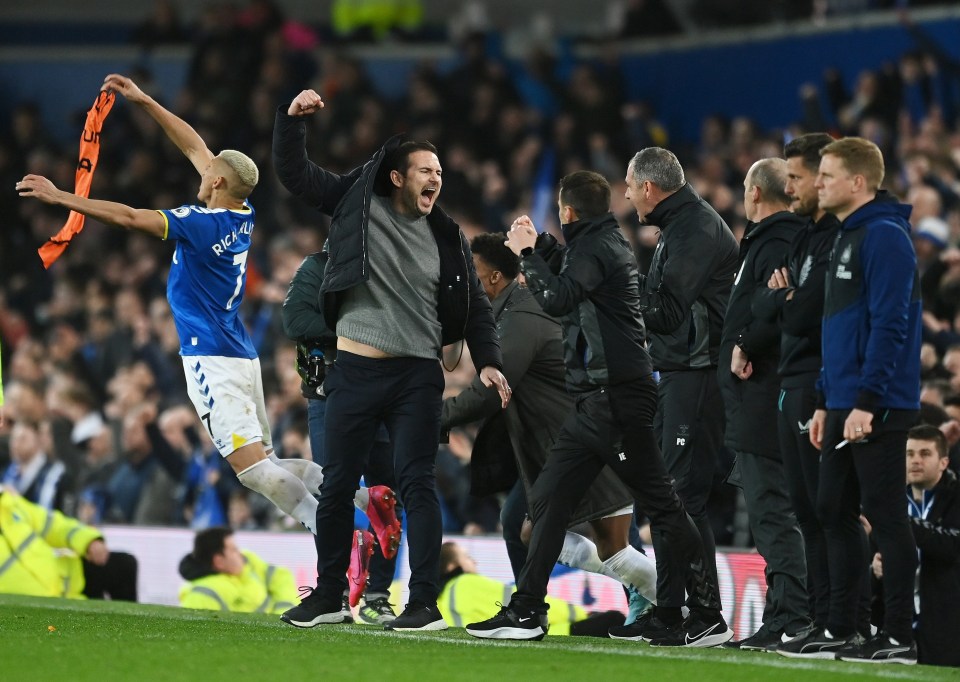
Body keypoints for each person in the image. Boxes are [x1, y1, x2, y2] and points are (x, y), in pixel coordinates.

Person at [16, 74, 330, 537]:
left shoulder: (197, 225)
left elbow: (126, 216)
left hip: (210, 358)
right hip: (241, 355)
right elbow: (194, 146)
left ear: (217, 180)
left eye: (208, 171)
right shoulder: (242, 212)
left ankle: (342, 530)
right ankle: (364, 497)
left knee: (253, 471)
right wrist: (143, 100)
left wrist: (60, 196)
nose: (199, 168)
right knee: (271, 461)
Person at [273, 89, 508, 632]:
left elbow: (473, 306)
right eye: (426, 169)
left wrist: (489, 359)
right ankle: (330, 595)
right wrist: (291, 121)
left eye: (441, 172)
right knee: (336, 488)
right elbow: (296, 174)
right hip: (353, 372)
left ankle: (422, 602)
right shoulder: (356, 205)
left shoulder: (447, 236)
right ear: (397, 177)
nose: (436, 178)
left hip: (415, 377)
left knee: (416, 485)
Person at [465, 171, 729, 646]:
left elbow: (559, 297)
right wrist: (543, 243)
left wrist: (527, 252)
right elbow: (573, 272)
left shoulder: (598, 247)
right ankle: (527, 611)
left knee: (666, 508)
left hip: (617, 398)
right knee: (546, 499)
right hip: (598, 399)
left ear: (568, 211)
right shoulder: (604, 241)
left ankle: (706, 610)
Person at [441, 233, 656, 618]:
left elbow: (491, 390)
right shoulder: (507, 313)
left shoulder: (521, 316)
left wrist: (434, 417)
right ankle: (530, 605)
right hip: (558, 442)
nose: (466, 281)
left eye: (472, 272)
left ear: (492, 278)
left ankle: (655, 600)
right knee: (519, 522)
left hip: (582, 436)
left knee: (613, 533)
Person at [786, 137, 922, 665]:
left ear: (858, 182)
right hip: (843, 399)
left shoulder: (886, 237)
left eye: (826, 175)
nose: (818, 183)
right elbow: (836, 329)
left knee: (886, 514)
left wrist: (864, 399)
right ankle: (844, 626)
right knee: (831, 508)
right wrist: (826, 399)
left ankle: (898, 635)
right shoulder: (848, 236)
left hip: (878, 401)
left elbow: (891, 325)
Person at [625, 147, 739, 619]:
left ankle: (704, 614)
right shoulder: (682, 225)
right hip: (680, 371)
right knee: (669, 497)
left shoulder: (694, 227)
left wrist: (617, 290)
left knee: (682, 498)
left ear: (649, 188)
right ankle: (670, 608)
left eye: (631, 187)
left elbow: (669, 313)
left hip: (697, 374)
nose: (628, 196)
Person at [754, 133, 856, 645]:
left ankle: (846, 621)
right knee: (808, 511)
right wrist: (785, 300)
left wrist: (786, 298)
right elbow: (774, 305)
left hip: (819, 383)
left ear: (821, 176)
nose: (789, 186)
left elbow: (799, 310)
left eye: (795, 176)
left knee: (830, 511)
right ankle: (820, 620)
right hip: (793, 380)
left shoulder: (839, 238)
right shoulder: (806, 236)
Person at [717, 158, 811, 650]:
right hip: (759, 397)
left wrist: (746, 343)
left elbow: (769, 310)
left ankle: (792, 614)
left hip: (765, 395)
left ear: (754, 192)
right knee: (770, 511)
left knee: (772, 510)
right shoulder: (776, 239)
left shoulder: (775, 240)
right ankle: (784, 612)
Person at [281, 249, 404, 625]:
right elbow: (295, 319)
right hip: (327, 396)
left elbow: (407, 325)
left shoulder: (392, 263)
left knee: (387, 498)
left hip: (384, 394)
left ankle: (378, 596)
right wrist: (361, 332)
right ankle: (332, 591)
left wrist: (340, 330)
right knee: (331, 491)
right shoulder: (317, 266)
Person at [880, 424, 959, 667]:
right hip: (898, 620)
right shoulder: (891, 501)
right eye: (909, 454)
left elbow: (953, 546)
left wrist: (901, 522)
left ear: (943, 462)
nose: (916, 460)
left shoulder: (956, 497)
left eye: (925, 454)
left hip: (946, 622)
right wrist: (876, 565)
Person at [438, 541, 624, 637]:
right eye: (467, 557)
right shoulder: (467, 583)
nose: (474, 561)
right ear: (452, 566)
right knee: (614, 618)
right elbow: (527, 605)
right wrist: (581, 614)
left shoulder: (440, 601)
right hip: (551, 632)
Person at [0, 487, 137, 601]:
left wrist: (89, 541)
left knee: (124, 565)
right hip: (30, 606)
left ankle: (134, 631)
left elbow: (55, 525)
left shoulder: (8, 504)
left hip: (69, 579)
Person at [178, 526, 298, 614]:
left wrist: (283, 612)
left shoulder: (248, 561)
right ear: (218, 561)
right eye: (234, 550)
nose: (240, 553)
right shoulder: (202, 595)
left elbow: (281, 576)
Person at [2, 420, 68, 511]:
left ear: (39, 440)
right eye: (13, 439)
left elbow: (47, 511)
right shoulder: (8, 470)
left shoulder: (54, 473)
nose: (15, 444)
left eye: (22, 439)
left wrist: (17, 500)